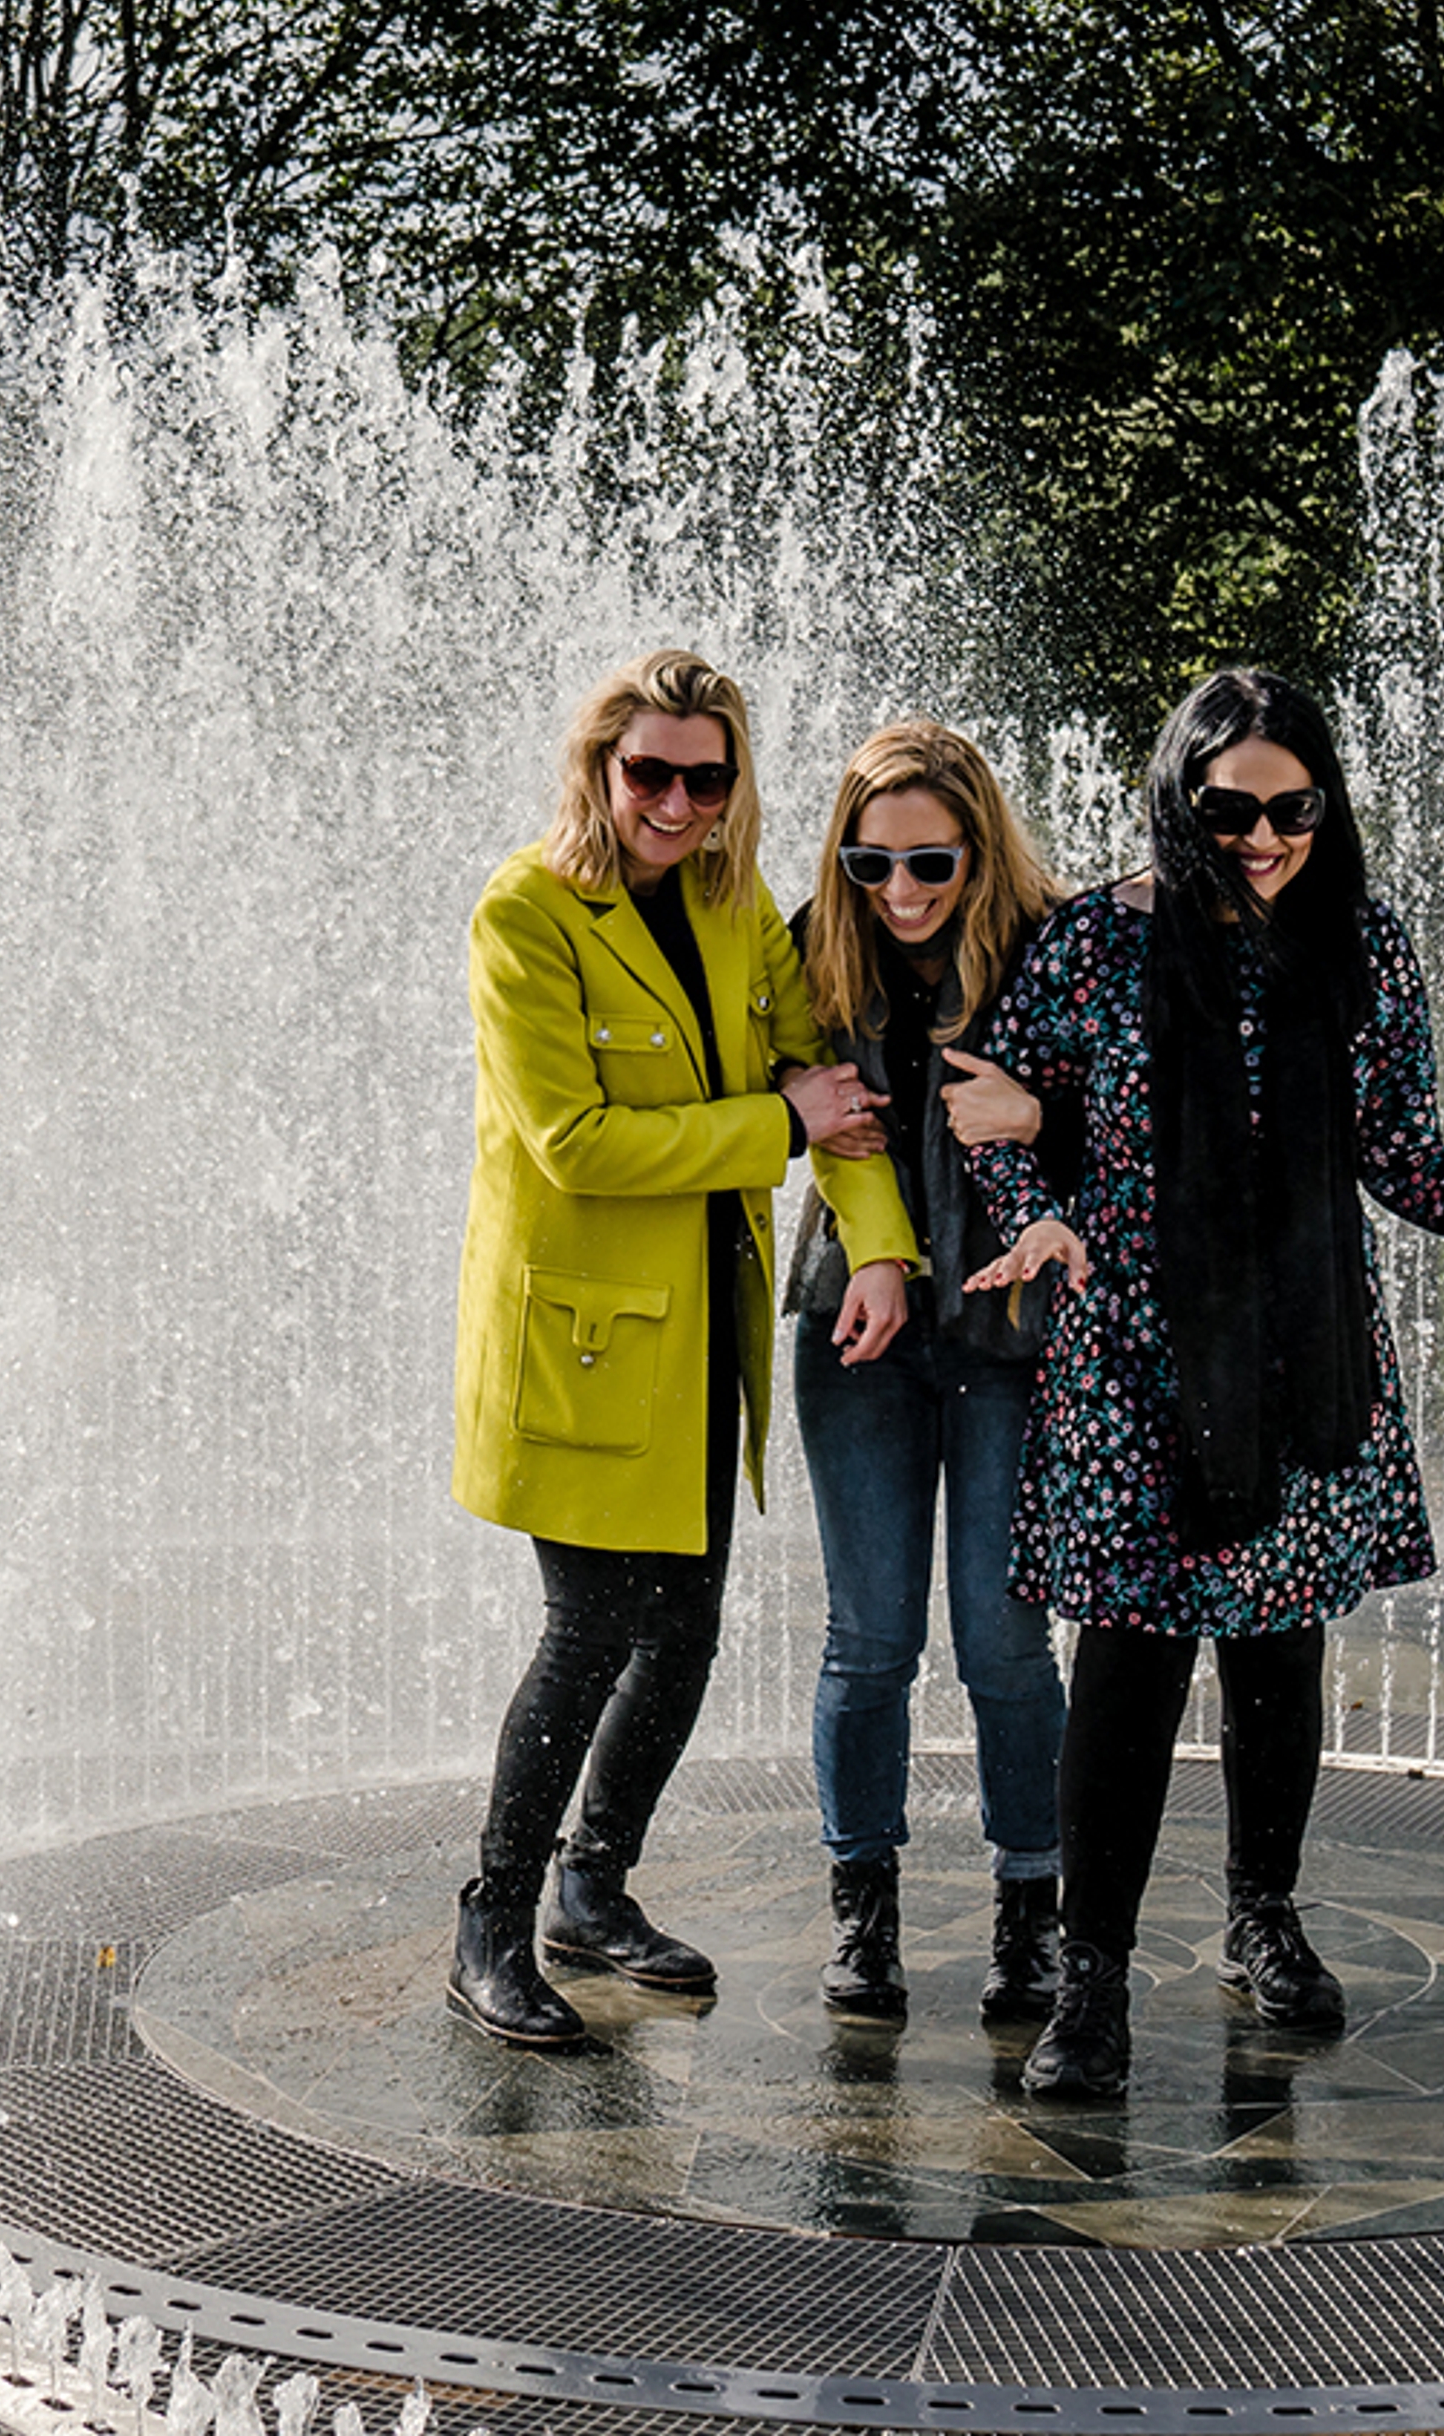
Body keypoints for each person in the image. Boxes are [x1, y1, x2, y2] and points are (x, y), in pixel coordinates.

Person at [963, 667, 1444, 2101]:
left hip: (1305, 1347)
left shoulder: (1359, 943)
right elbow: (998, 1107)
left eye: (1293, 807)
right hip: (1130, 1357)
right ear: (1180, 796)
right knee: (1126, 1663)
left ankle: (1262, 1917)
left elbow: (1401, 1151)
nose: (1261, 835)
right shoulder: (1092, 947)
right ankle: (1092, 1980)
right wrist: (1029, 1207)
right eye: (1228, 807)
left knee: (1278, 1650)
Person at [446, 647, 914, 2049]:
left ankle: (595, 1888)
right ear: (600, 766)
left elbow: (823, 1076)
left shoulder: (729, 902)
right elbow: (577, 1145)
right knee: (589, 1633)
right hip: (581, 1345)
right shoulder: (525, 912)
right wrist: (778, 1127)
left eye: (706, 778)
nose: (676, 802)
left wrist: (880, 1243)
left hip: (702, 1325)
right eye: (649, 771)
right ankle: (491, 1921)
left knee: (689, 1630)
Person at [782, 720, 1077, 2024]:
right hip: (862, 1328)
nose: (897, 893)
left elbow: (1144, 1109)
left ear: (982, 845)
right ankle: (864, 1909)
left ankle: (1032, 1912)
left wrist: (1046, 1118)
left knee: (1005, 1641)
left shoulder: (1057, 947)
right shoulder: (807, 945)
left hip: (1015, 1338)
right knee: (871, 1636)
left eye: (929, 864)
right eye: (870, 864)